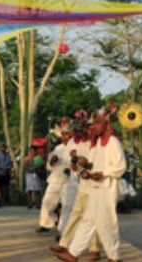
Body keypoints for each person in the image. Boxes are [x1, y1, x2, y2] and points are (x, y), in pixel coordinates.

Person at [55, 105, 126, 262]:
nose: (95, 126)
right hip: (95, 187)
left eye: (98, 123)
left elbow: (121, 167)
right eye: (94, 123)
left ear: (106, 124)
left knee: (107, 223)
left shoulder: (113, 142)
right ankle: (73, 253)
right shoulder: (97, 142)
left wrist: (103, 173)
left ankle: (114, 257)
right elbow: (90, 164)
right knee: (88, 220)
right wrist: (82, 167)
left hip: (107, 188)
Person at [52, 111, 100, 261]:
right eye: (75, 130)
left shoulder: (94, 142)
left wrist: (81, 161)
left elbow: (92, 163)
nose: (77, 132)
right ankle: (64, 244)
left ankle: (94, 249)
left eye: (81, 129)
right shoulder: (73, 142)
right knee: (76, 213)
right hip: (81, 182)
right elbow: (69, 161)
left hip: (95, 183)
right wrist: (73, 160)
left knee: (93, 216)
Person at [38, 122, 71, 233]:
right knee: (47, 200)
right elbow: (49, 165)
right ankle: (45, 223)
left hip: (69, 180)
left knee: (66, 205)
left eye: (68, 134)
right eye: (64, 134)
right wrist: (52, 162)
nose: (66, 137)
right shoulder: (58, 148)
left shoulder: (76, 147)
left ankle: (63, 229)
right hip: (56, 178)